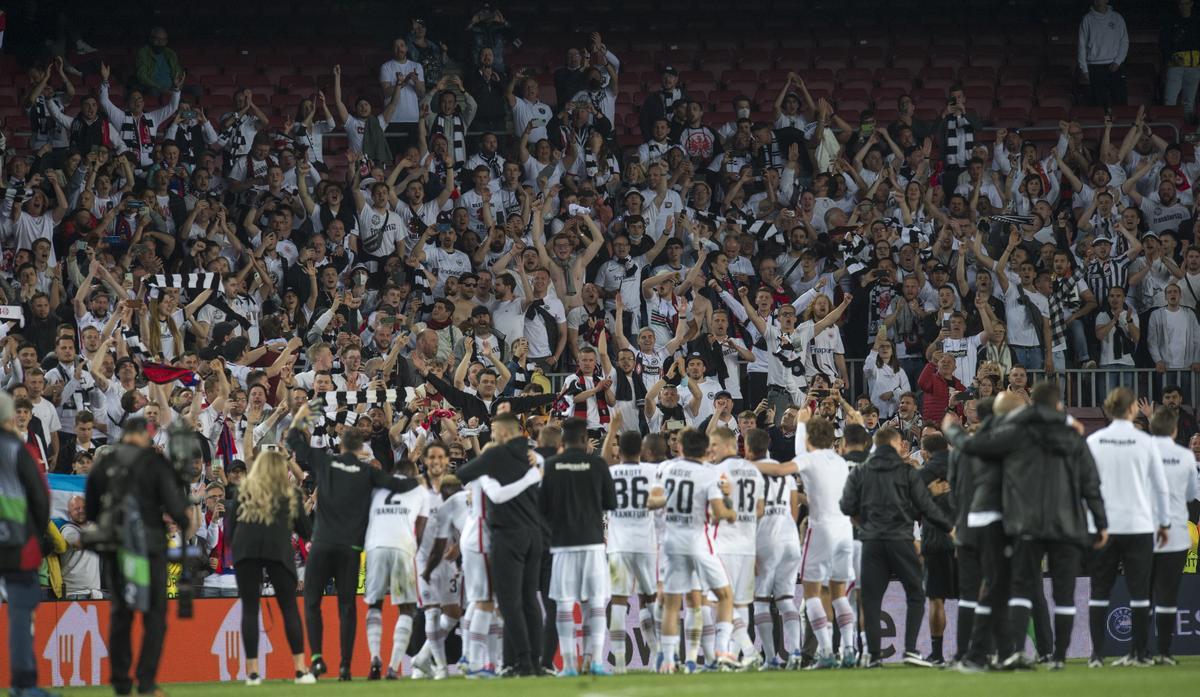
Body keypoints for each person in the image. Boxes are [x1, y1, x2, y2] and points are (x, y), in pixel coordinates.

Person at [944, 382, 1107, 671]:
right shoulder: (1071, 436)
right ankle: (1050, 656)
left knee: (1012, 588)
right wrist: (1100, 521)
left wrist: (952, 429)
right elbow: (1090, 483)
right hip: (1057, 524)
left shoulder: (1011, 435)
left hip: (1018, 522)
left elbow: (969, 454)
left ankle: (1005, 652)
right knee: (1048, 593)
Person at [285, 403, 421, 681]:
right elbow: (401, 486)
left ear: (340, 445)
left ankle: (317, 659)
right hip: (351, 549)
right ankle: (345, 667)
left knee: (312, 603)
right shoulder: (368, 473)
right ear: (362, 448)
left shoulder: (325, 461)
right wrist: (428, 478)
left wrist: (301, 418)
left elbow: (293, 441)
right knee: (347, 606)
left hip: (321, 545)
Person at [84, 417, 191, 696]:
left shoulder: (105, 462)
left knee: (122, 614)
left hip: (118, 549)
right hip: (149, 549)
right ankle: (146, 682)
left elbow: (91, 509)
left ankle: (120, 683)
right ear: (144, 435)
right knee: (154, 615)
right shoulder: (154, 463)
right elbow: (176, 509)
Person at [839, 426, 953, 668]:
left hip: (870, 542)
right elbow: (926, 507)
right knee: (915, 593)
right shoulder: (907, 471)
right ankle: (910, 650)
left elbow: (847, 506)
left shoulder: (860, 471)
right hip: (901, 540)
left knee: (870, 599)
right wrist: (949, 527)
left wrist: (865, 523)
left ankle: (872, 655)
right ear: (894, 443)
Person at [1085, 387, 1171, 667]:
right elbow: (1160, 489)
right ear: (1133, 409)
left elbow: (1085, 488)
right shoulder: (1146, 442)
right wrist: (1165, 523)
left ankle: (1097, 655)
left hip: (1103, 528)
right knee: (1140, 592)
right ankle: (1139, 653)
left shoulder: (1094, 441)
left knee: (1099, 591)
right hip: (1139, 526)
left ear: (1109, 410)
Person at [455, 413, 545, 676]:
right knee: (527, 600)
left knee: (505, 602)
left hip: (503, 536)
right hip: (532, 535)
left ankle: (520, 661)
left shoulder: (492, 460)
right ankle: (530, 662)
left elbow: (465, 475)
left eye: (494, 431)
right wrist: (532, 474)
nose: (492, 435)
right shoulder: (534, 458)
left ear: (503, 433)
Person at [647, 428, 737, 674]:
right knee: (725, 595)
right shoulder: (710, 473)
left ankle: (667, 661)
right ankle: (721, 652)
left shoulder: (665, 469)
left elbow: (651, 501)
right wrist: (731, 512)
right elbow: (719, 513)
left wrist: (670, 499)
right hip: (698, 542)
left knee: (672, 603)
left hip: (671, 542)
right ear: (706, 448)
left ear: (681, 447)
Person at [228, 448, 315, 685]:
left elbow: (230, 531)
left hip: (245, 550)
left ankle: (253, 673)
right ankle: (299, 669)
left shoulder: (243, 491)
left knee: (249, 609)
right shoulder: (290, 494)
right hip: (277, 550)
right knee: (289, 609)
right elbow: (306, 532)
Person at [540, 418, 616, 676]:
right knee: (594, 605)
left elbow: (542, 508)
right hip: (593, 543)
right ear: (585, 440)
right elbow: (610, 504)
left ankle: (570, 666)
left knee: (563, 605)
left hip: (561, 545)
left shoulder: (551, 466)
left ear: (562, 442)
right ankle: (594, 662)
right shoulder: (597, 464)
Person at [0, 391, 55, 697]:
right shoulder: (17, 450)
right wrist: (39, 534)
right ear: (9, 418)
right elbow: (39, 495)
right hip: (16, 542)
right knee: (20, 613)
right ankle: (23, 685)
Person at [363, 458, 426, 681]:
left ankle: (374, 658)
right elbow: (421, 529)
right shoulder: (419, 489)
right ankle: (393, 666)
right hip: (402, 547)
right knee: (406, 608)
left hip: (375, 547)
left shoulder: (378, 487)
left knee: (375, 605)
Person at [1144, 407, 1198, 664]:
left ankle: (1139, 652)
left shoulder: (1142, 454)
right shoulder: (1186, 457)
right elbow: (1192, 496)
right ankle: (1164, 652)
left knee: (1142, 594)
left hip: (1145, 534)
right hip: (1176, 535)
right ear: (1175, 430)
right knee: (1166, 595)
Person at [605, 429, 660, 674]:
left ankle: (618, 662)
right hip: (646, 545)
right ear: (641, 450)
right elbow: (663, 499)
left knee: (618, 600)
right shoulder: (653, 471)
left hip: (618, 545)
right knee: (649, 598)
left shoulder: (611, 473)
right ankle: (660, 656)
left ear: (620, 449)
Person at [1078, 0, 1129, 108]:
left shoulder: (1117, 18)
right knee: (1098, 104)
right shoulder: (1087, 19)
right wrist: (1084, 69)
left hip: (1115, 66)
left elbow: (1124, 41)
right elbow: (1082, 46)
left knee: (1120, 101)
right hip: (1095, 67)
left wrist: (1118, 61)